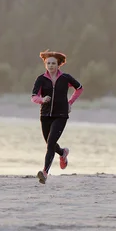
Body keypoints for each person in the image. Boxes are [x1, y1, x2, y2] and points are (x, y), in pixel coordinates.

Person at [31, 50, 83, 184]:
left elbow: (79, 88)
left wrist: (70, 102)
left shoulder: (65, 78)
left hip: (61, 115)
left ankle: (44, 172)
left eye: (53, 63)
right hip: (45, 115)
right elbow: (34, 97)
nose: (51, 65)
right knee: (50, 143)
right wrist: (42, 100)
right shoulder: (41, 79)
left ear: (58, 64)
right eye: (48, 63)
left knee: (50, 145)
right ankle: (63, 152)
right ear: (45, 64)